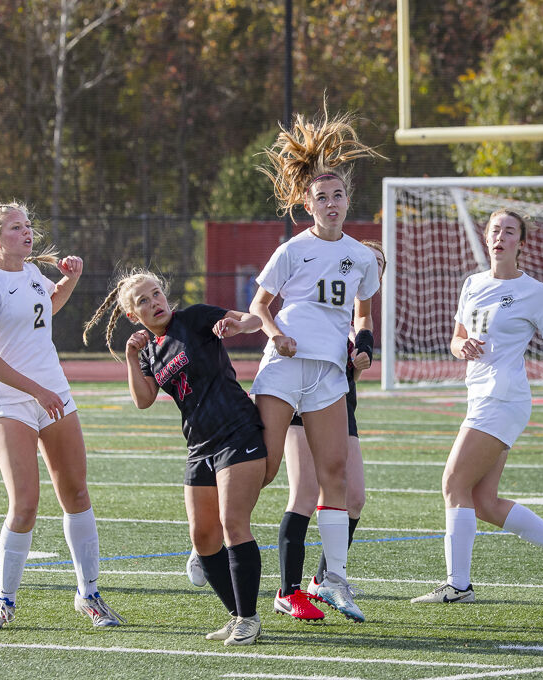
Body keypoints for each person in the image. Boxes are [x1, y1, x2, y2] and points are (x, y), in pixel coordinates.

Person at [411, 209, 543, 606]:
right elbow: (457, 339)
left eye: (509, 231)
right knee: (484, 501)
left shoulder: (534, 291)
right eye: (495, 230)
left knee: (453, 483)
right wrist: (462, 347)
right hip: (482, 394)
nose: (500, 236)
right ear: (487, 238)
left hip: (503, 397)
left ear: (521, 243)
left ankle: (458, 585)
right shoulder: (472, 284)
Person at [0, 202, 123, 630]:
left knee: (77, 495)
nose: (27, 233)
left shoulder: (31, 273)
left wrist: (71, 279)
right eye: (16, 227)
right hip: (11, 401)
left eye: (28, 225)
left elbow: (48, 306)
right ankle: (4, 601)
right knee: (25, 504)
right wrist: (36, 390)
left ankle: (89, 594)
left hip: (53, 393)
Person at [82, 270, 267, 646]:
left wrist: (236, 325)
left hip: (237, 431)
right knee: (202, 537)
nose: (155, 303)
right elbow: (143, 399)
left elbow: (251, 319)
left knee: (232, 523)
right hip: (199, 444)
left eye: (157, 294)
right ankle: (237, 615)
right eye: (144, 302)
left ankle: (249, 618)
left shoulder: (195, 317)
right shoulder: (148, 350)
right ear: (134, 316)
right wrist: (132, 357)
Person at [250, 108, 383, 623]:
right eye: (321, 197)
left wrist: (363, 345)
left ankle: (336, 582)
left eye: (337, 196)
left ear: (348, 201)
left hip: (330, 373)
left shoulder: (363, 257)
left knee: (337, 480)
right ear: (307, 205)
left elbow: (363, 311)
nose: (330, 203)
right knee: (263, 468)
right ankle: (213, 538)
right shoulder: (291, 250)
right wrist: (276, 334)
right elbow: (262, 305)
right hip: (284, 366)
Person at [276, 240, 386, 622]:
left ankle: (324, 579)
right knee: (303, 491)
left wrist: (363, 351)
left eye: (378, 267)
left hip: (340, 407)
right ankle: (285, 589)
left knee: (354, 496)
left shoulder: (358, 323)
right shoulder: (321, 303)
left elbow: (358, 347)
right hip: (301, 399)